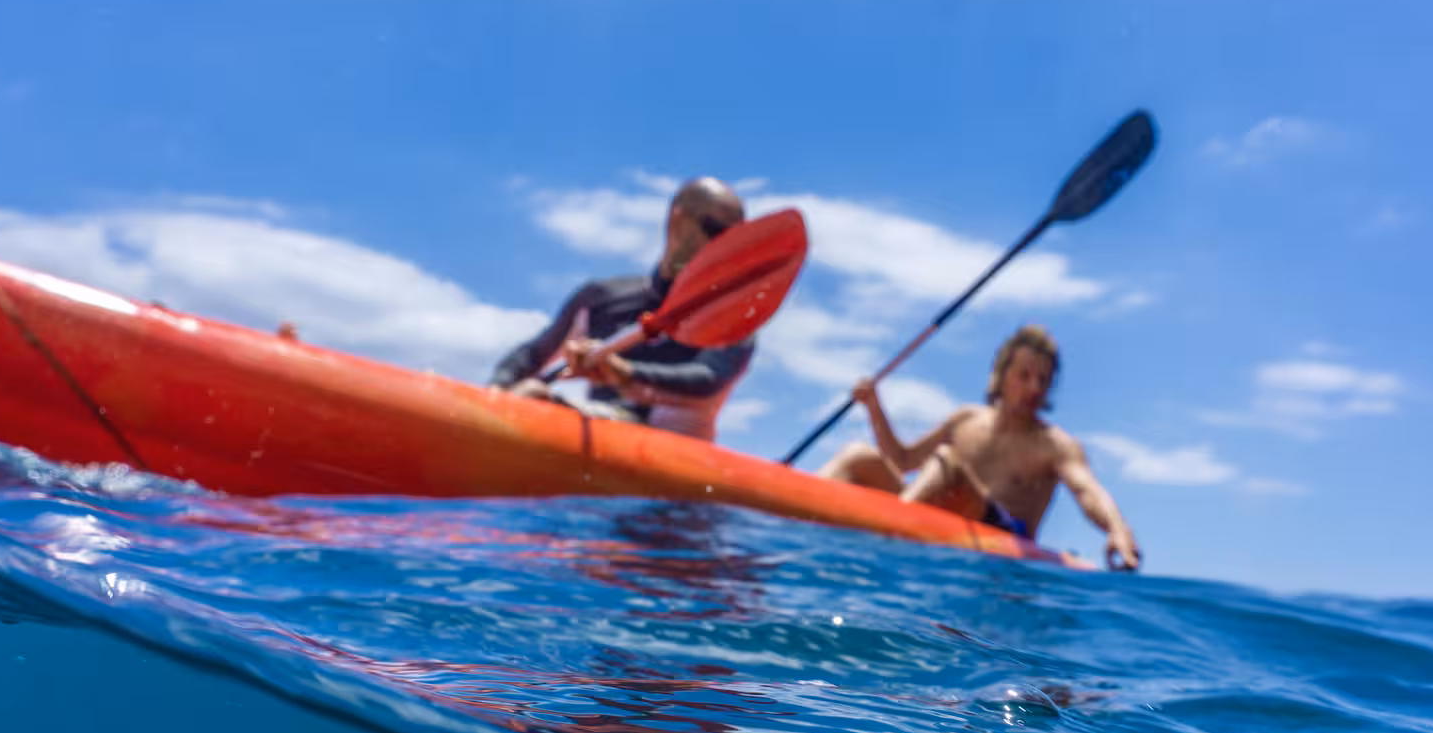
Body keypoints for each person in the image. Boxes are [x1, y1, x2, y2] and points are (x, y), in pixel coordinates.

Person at [817, 325, 1143, 570]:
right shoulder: (966, 419)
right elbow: (903, 461)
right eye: (1025, 375)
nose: (1034, 387)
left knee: (949, 460)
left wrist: (1117, 528)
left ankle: (887, 538)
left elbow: (1087, 490)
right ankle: (782, 523)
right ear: (1001, 376)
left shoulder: (1054, 444)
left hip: (1001, 542)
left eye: (1043, 380)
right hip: (936, 515)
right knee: (858, 455)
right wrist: (874, 406)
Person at [489, 177, 752, 441]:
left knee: (535, 398)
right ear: (678, 221)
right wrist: (494, 393)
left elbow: (709, 378)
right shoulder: (603, 297)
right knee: (528, 393)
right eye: (718, 231)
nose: (725, 247)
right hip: (597, 431)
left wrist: (626, 374)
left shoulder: (738, 313)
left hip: (674, 448)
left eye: (736, 238)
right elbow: (534, 354)